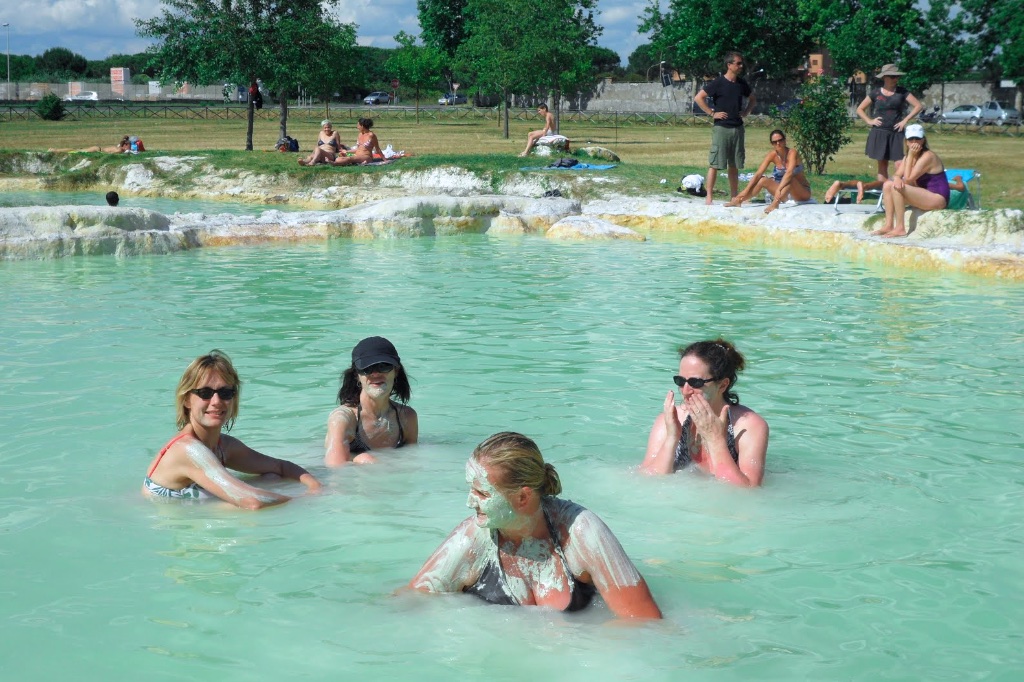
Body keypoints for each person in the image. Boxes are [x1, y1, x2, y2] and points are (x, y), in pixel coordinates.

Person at [409, 432, 662, 619]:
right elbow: (410, 604)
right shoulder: (472, 539)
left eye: (482, 494)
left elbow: (643, 623)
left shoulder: (581, 532)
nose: (469, 502)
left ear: (522, 497)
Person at [143, 350, 321, 509]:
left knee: (271, 477)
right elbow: (253, 502)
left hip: (198, 522)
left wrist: (316, 486)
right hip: (177, 530)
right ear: (186, 400)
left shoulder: (223, 446)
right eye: (205, 393)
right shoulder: (188, 450)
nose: (216, 401)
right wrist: (303, 501)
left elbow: (280, 466)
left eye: (225, 393)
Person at [640, 339, 769, 487]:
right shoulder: (671, 420)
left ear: (722, 385)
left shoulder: (748, 426)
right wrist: (672, 438)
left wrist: (716, 440)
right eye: (681, 381)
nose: (685, 390)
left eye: (696, 382)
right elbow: (647, 481)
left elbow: (748, 491)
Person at [324, 336, 418, 466]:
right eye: (367, 368)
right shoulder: (343, 419)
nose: (375, 374)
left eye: (383, 366)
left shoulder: (407, 417)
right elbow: (335, 470)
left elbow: (412, 463)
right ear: (357, 375)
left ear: (396, 371)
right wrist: (360, 458)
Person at [694, 51, 756, 205]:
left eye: (741, 63)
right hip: (721, 128)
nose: (741, 66)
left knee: (734, 164)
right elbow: (698, 98)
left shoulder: (742, 84)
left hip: (738, 128)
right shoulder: (718, 83)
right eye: (738, 63)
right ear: (729, 65)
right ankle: (709, 197)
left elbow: (753, 98)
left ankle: (734, 196)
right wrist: (711, 113)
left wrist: (747, 111)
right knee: (715, 163)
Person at [873, 124, 949, 238]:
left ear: (923, 140)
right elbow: (897, 174)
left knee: (897, 187)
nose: (914, 142)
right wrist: (898, 176)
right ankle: (889, 225)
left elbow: (908, 179)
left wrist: (910, 156)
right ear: (906, 142)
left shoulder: (928, 157)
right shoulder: (908, 157)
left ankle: (900, 228)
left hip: (937, 198)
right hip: (923, 194)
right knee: (888, 184)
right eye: (911, 139)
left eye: (917, 139)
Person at [855, 64, 922, 188]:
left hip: (896, 132)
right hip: (879, 132)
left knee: (900, 164)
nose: (896, 79)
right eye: (892, 76)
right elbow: (860, 109)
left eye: (897, 77)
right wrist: (869, 121)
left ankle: (904, 190)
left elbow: (918, 106)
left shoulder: (902, 92)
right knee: (882, 165)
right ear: (885, 77)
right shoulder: (875, 93)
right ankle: (884, 194)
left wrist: (905, 120)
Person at [724, 129, 811, 214]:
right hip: (783, 193)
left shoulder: (792, 153)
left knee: (790, 178)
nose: (778, 143)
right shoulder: (772, 155)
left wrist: (778, 190)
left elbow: (789, 173)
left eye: (780, 140)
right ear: (772, 144)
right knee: (762, 180)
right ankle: (739, 200)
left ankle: (775, 203)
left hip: (801, 192)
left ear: (784, 140)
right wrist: (744, 192)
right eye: (774, 142)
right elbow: (758, 174)